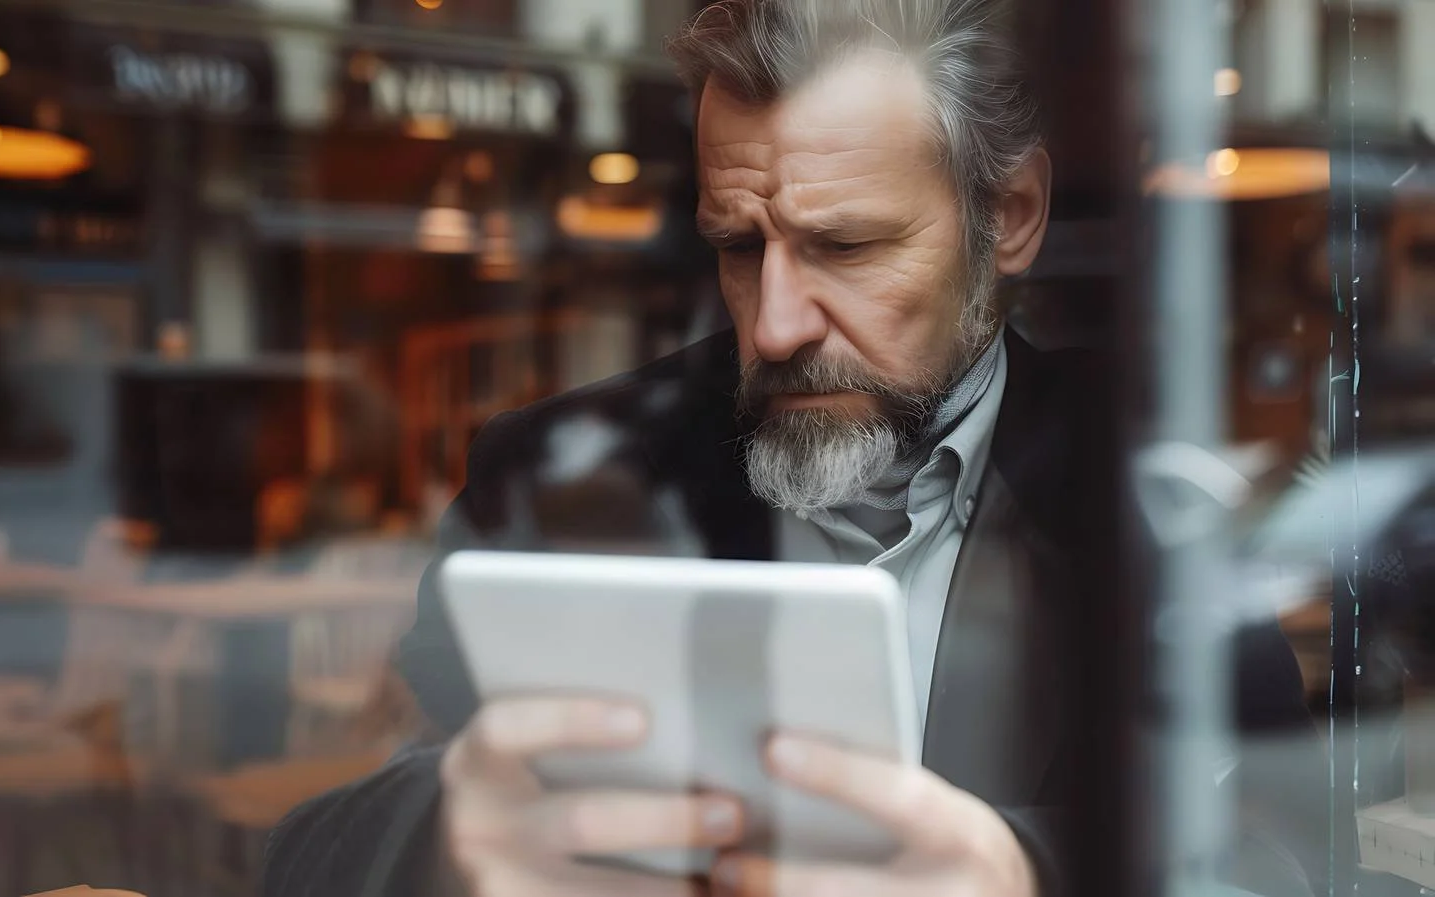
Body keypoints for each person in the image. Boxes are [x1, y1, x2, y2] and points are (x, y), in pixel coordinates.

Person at [264, 1, 1323, 894]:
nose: (773, 326)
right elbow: (314, 846)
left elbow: (1286, 859)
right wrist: (446, 832)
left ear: (1009, 216)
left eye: (845, 247)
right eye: (738, 246)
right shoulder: (553, 469)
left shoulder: (1149, 504)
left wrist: (1025, 870)